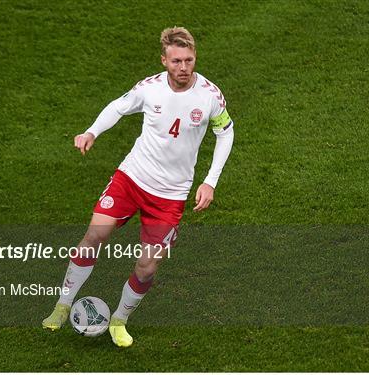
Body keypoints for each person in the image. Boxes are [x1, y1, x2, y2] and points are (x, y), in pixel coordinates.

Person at [42, 26, 234, 347]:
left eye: (188, 60)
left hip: (171, 196)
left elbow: (225, 132)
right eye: (176, 61)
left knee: (146, 267)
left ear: (195, 58)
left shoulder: (210, 96)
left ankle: (119, 320)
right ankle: (62, 305)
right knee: (94, 236)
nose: (183, 68)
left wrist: (210, 181)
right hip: (131, 179)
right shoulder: (150, 89)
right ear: (164, 60)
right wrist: (91, 132)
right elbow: (118, 106)